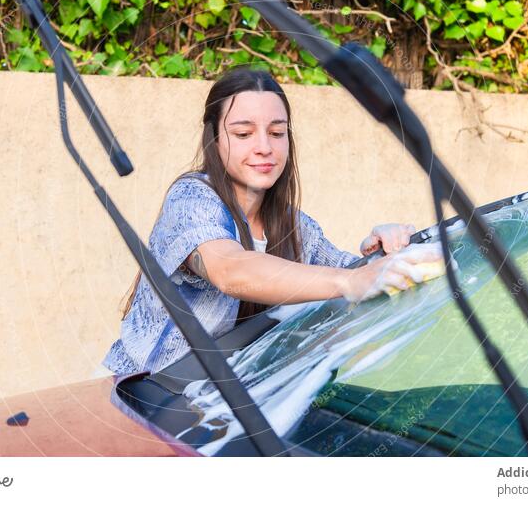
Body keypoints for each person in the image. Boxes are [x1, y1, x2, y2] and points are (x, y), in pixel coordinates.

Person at [101, 68, 442, 378]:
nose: (264, 147)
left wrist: (386, 249)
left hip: (227, 411)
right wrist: (351, 279)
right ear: (215, 138)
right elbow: (231, 270)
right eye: (244, 133)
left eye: (277, 133)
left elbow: (357, 278)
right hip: (145, 396)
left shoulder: (294, 225)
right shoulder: (191, 199)